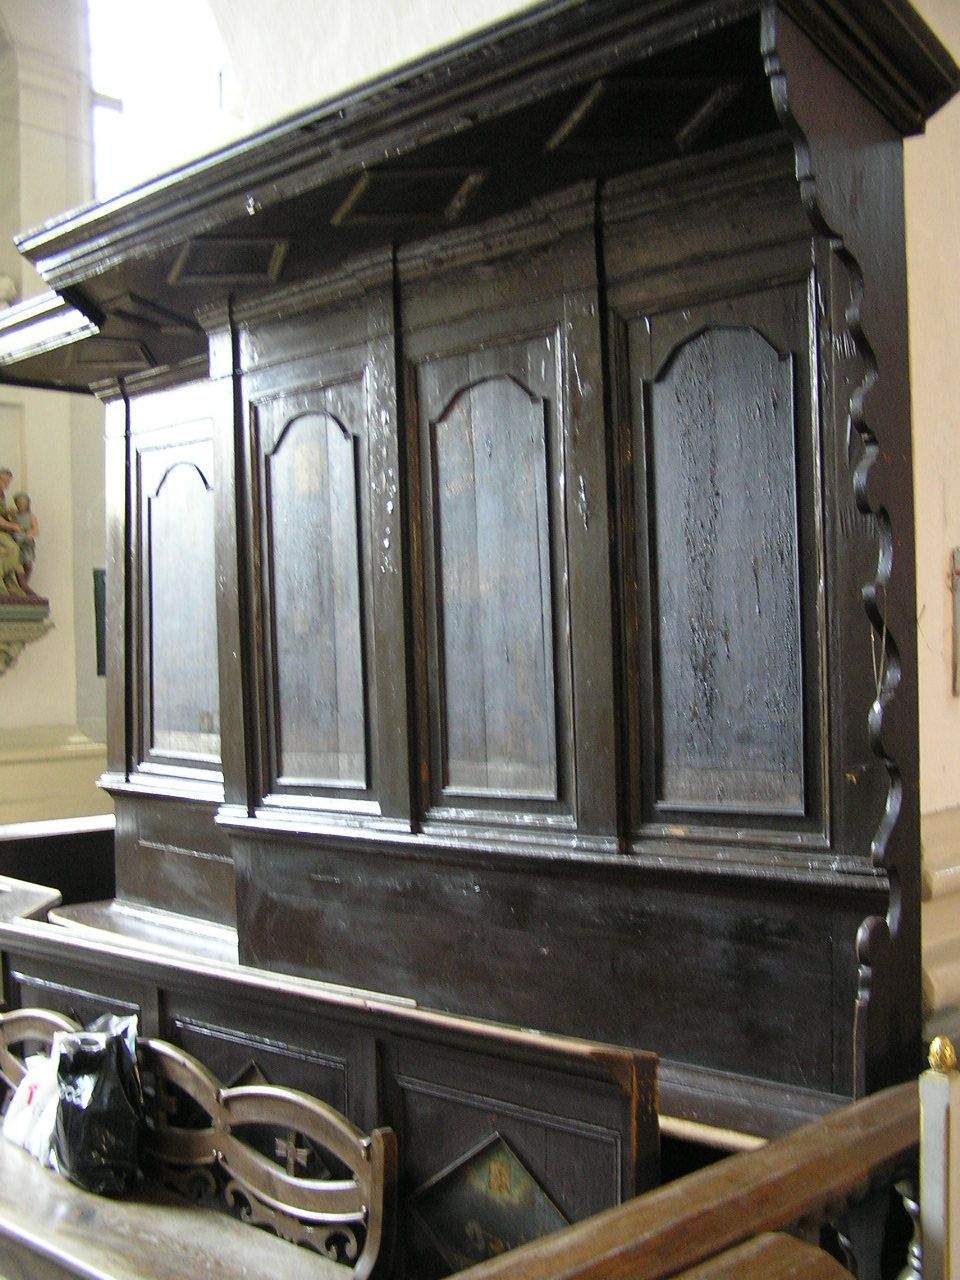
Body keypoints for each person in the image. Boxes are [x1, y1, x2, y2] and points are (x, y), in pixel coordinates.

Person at [0, 468, 25, 598]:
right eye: (5, 481)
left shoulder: (2, 496)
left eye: (8, 482)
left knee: (15, 552)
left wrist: (8, 513)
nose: (7, 485)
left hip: (3, 531)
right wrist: (12, 526)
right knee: (13, 549)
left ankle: (12, 586)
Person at [12, 493, 38, 589]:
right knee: (17, 564)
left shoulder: (30, 516)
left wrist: (29, 534)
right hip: (16, 543)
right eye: (19, 503)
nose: (21, 505)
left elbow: (35, 529)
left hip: (27, 544)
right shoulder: (14, 515)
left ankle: (24, 584)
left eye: (23, 503)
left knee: (28, 564)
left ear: (27, 504)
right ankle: (20, 585)